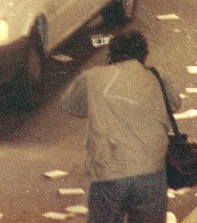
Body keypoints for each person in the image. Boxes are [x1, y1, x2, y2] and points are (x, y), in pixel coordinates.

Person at [61, 30, 180, 223]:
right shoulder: (157, 77)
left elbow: (71, 105)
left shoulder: (93, 77)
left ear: (111, 55)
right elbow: (174, 104)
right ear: (144, 55)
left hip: (109, 172)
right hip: (151, 170)